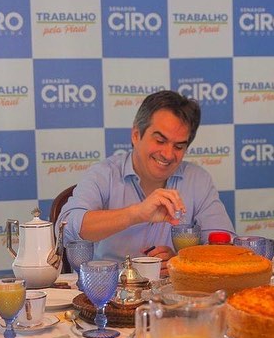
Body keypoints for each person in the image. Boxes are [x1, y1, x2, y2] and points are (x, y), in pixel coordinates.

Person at [58, 90, 234, 265]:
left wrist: (180, 261)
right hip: (110, 282)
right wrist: (136, 213)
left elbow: (227, 248)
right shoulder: (104, 174)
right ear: (136, 135)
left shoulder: (197, 180)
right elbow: (65, 230)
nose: (168, 154)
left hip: (170, 283)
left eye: (179, 147)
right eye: (160, 141)